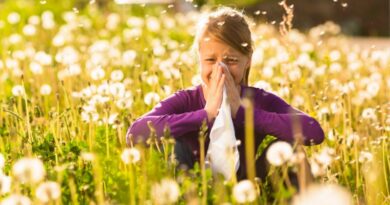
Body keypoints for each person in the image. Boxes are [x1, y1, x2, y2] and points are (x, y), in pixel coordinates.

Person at [126, 7, 324, 182]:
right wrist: (205, 115)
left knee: (291, 149)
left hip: (248, 185)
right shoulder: (187, 99)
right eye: (210, 59)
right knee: (173, 145)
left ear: (248, 60)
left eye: (231, 60)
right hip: (193, 185)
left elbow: (314, 131)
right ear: (199, 60)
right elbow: (135, 133)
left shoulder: (258, 100)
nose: (220, 69)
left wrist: (244, 113)